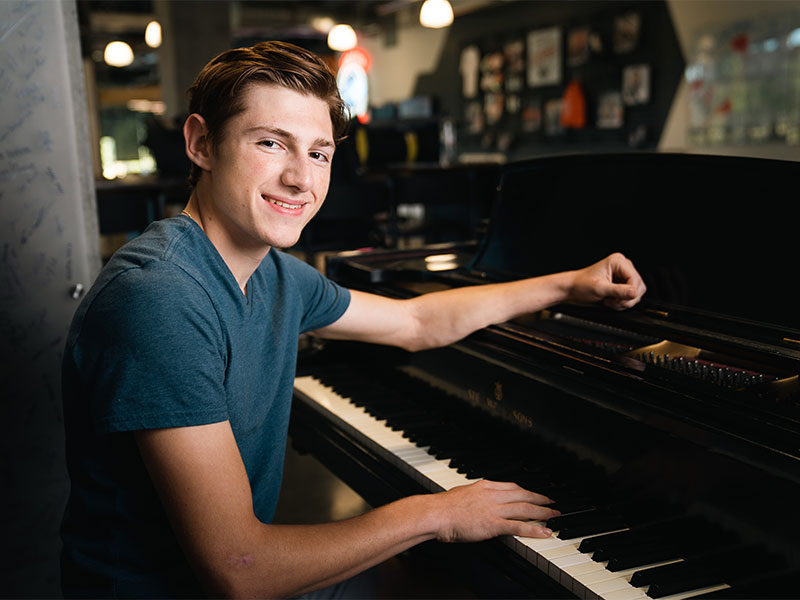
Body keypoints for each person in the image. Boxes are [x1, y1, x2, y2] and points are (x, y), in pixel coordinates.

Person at [60, 41, 646, 599]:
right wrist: (439, 512)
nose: (301, 178)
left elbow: (416, 323)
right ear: (201, 143)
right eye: (270, 143)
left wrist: (568, 284)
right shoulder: (159, 297)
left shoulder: (274, 275)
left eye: (318, 153)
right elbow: (241, 571)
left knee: (438, 586)